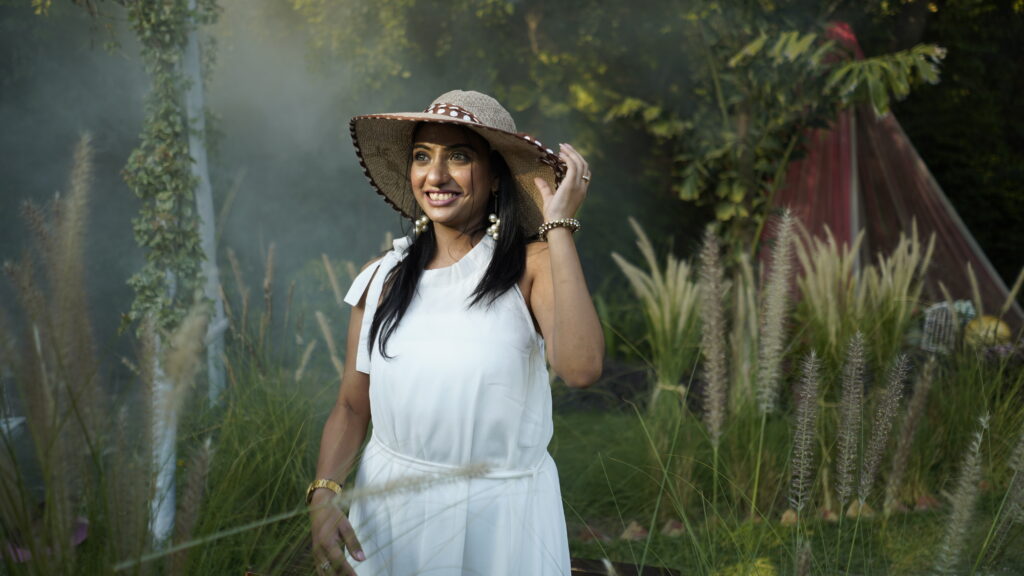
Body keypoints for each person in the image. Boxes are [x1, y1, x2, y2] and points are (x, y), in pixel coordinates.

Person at [308, 90, 603, 576]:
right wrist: (324, 494)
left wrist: (559, 228)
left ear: (494, 177)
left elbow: (581, 368)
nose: (436, 175)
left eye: (459, 157)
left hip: (504, 518)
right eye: (423, 157)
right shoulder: (382, 278)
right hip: (391, 509)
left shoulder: (532, 267)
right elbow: (351, 405)